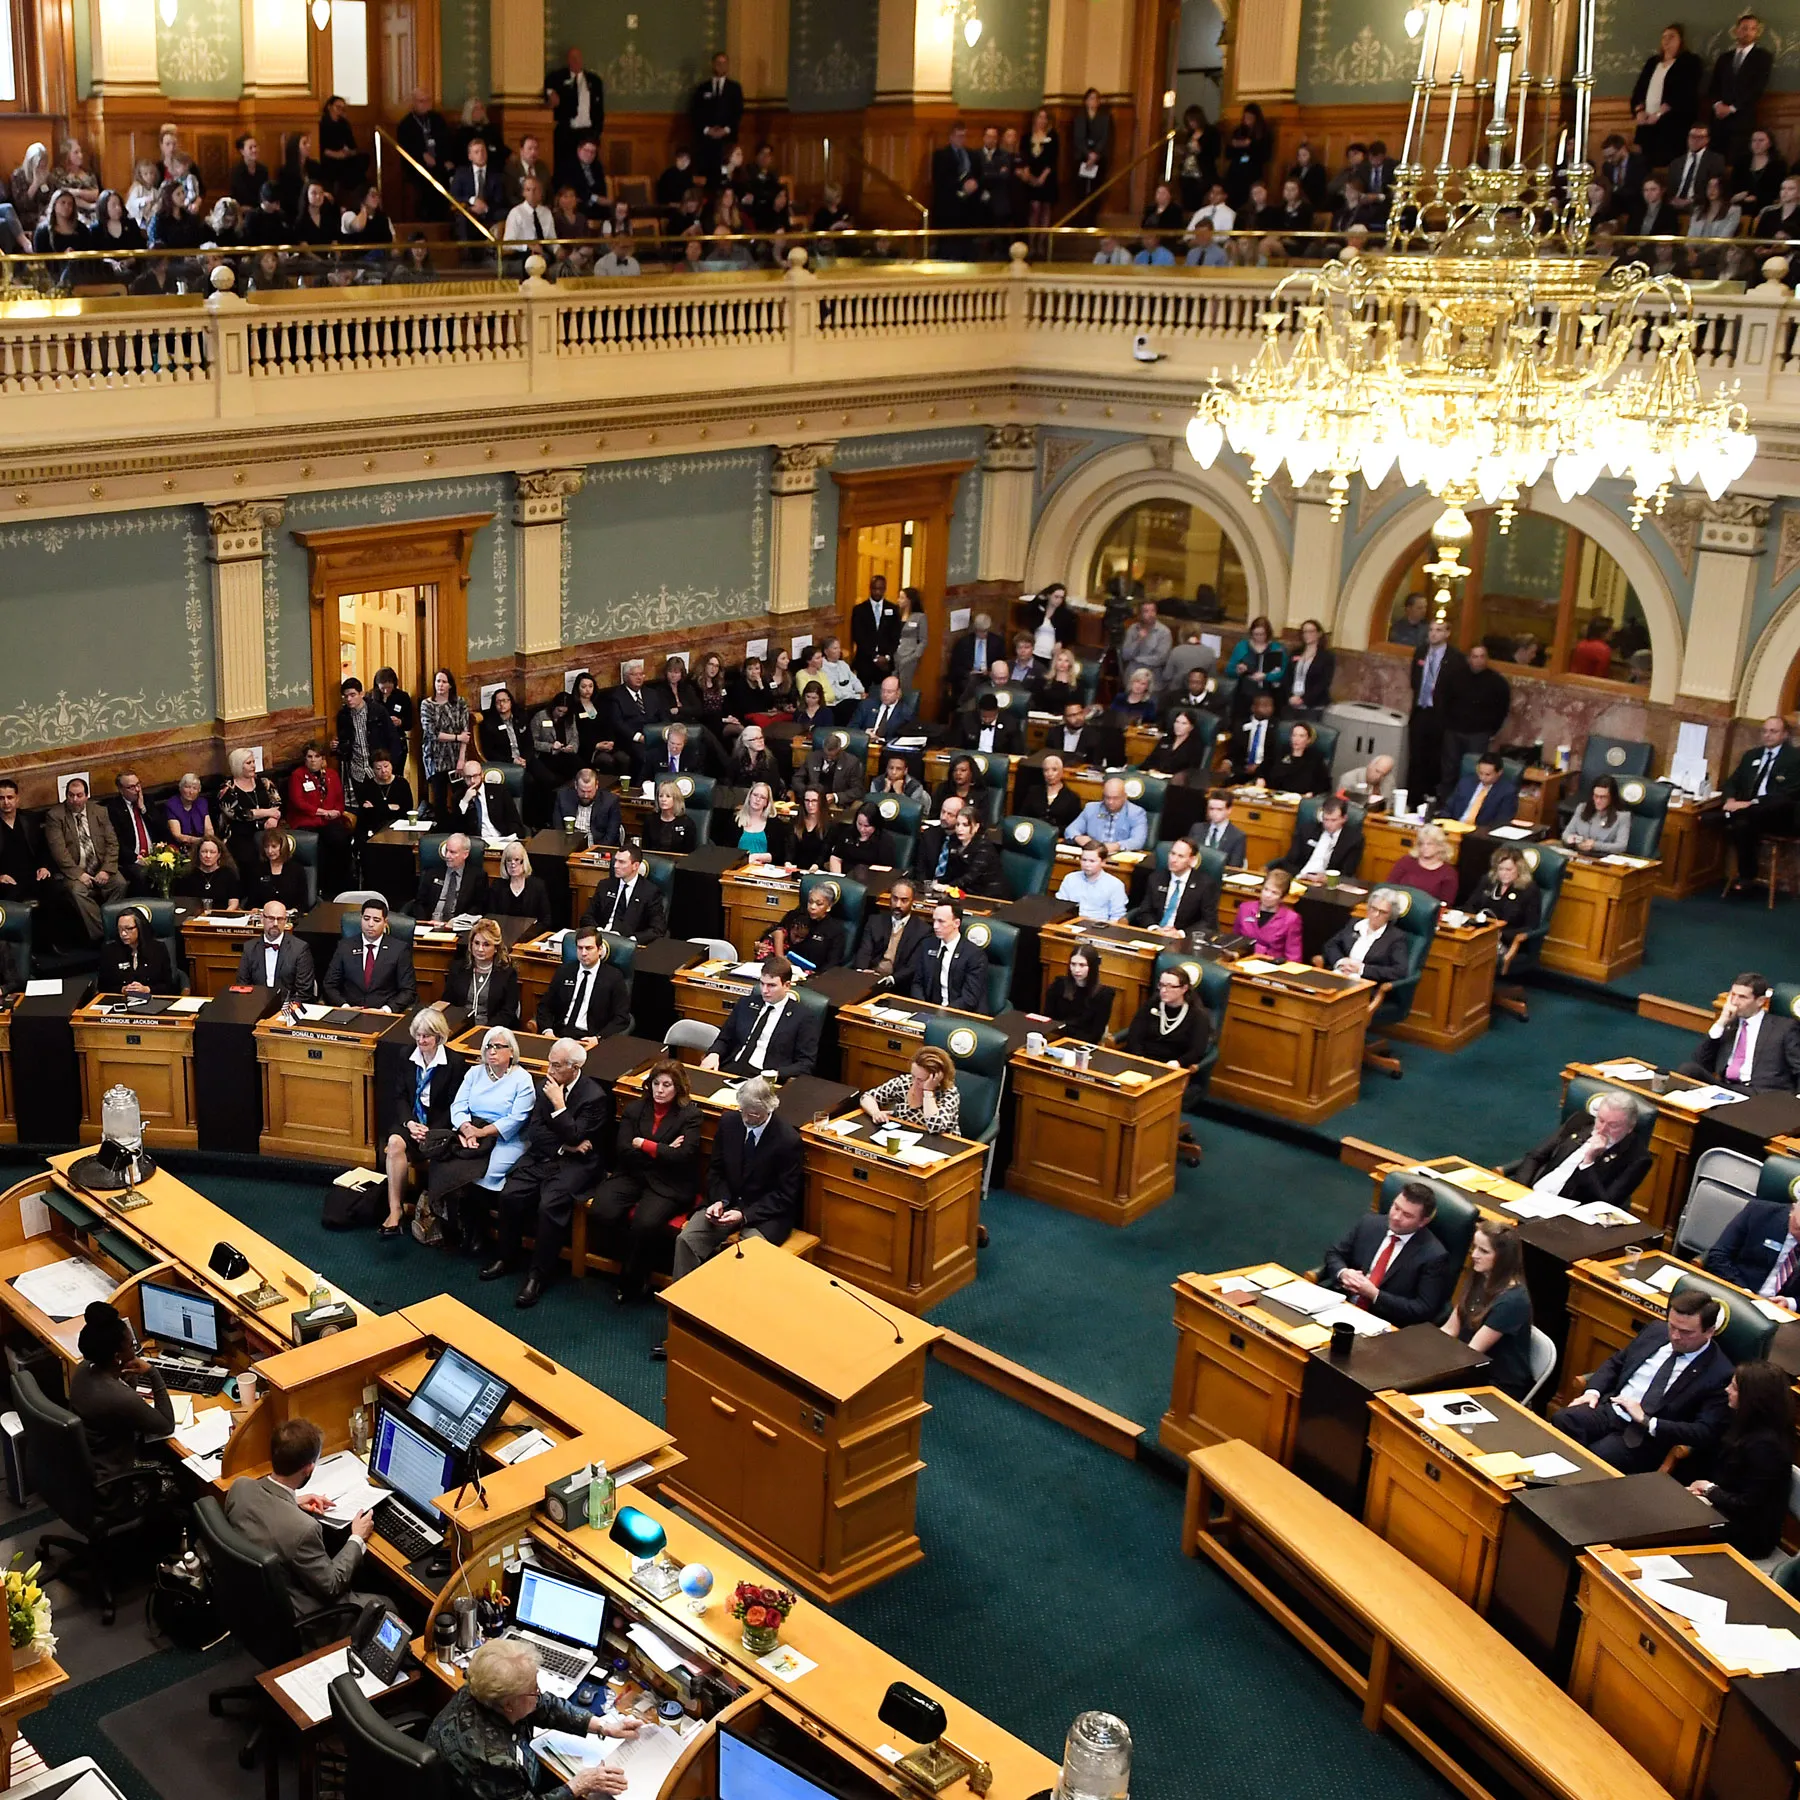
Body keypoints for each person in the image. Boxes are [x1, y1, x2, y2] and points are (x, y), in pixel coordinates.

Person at [476, 1037, 608, 1307]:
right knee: (511, 1194)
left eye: (557, 1066)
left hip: (579, 1166)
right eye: (549, 1063)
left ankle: (537, 1275)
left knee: (551, 1205)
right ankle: (506, 1256)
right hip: (547, 1156)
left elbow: (577, 1134)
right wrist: (565, 1147)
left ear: (574, 1067)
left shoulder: (595, 1097)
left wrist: (559, 1106)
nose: (550, 1070)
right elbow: (536, 1131)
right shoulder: (545, 1085)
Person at [1551, 1289, 1732, 1473]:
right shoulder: (1655, 1331)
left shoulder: (1719, 1373)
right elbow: (1616, 1363)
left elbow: (1704, 1431)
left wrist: (1648, 1421)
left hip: (1646, 1437)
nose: (1675, 1336)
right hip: (1611, 1410)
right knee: (1564, 1419)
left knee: (1598, 1456)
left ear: (1709, 1331)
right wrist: (1593, 1392)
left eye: (1686, 1332)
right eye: (1672, 1326)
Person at [223, 1418, 379, 1617]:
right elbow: (331, 1586)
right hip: (300, 1613)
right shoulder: (304, 1529)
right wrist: (357, 1537)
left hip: (249, 1599)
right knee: (388, 1605)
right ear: (309, 1469)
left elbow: (263, 1515)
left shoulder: (240, 1487)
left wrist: (293, 1502)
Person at [664, 1078, 802, 1298]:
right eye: (743, 1111)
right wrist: (720, 1201)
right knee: (687, 1240)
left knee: (744, 1255)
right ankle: (685, 1304)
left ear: (769, 1108)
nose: (747, 1118)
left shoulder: (787, 1140)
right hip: (727, 1203)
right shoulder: (730, 1122)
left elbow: (784, 1196)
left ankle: (730, 1314)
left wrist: (743, 1214)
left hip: (764, 1214)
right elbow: (715, 1170)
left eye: (754, 1114)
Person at [1686, 1361, 1793, 1562]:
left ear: (1753, 1397)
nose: (1727, 1390)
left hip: (1748, 1535)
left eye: (1734, 1387)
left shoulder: (1767, 1447)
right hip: (1724, 1511)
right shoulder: (1743, 1424)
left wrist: (1709, 1490)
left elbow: (1748, 1504)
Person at [1320, 1181, 1452, 1325]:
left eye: (1407, 1215)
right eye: (1396, 1207)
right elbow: (1334, 1253)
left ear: (1423, 1221)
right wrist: (1343, 1272)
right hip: (1341, 1305)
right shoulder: (1369, 1224)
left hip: (1383, 1323)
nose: (1396, 1217)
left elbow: (1422, 1309)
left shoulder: (1434, 1255)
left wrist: (1375, 1294)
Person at [68, 1301, 174, 1479]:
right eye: (132, 1346)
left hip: (94, 1461)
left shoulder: (83, 1369)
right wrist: (153, 1374)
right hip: (114, 1474)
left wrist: (125, 1372)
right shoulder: (119, 1397)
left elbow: (125, 1396)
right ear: (117, 1356)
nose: (135, 1350)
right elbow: (166, 1425)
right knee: (178, 1476)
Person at [380, 1005, 460, 1237]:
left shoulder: (453, 1063)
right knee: (394, 1144)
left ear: (439, 1036)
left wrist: (430, 1130)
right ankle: (395, 1211)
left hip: (438, 1124)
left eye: (426, 1036)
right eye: (418, 1035)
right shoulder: (406, 1055)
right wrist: (409, 1123)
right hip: (412, 1120)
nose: (421, 1040)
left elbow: (454, 1104)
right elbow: (400, 1096)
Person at [1441, 1224, 1535, 1402]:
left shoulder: (1513, 1301)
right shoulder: (1479, 1277)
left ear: (1502, 1258)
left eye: (1483, 1251)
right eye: (1475, 1247)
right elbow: (1450, 1329)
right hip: (1466, 1367)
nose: (1474, 1255)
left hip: (1494, 1385)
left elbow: (1472, 1353)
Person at [1508, 1092, 1649, 1210]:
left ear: (1630, 1127)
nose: (1602, 1129)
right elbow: (1535, 1156)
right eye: (1600, 1120)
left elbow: (1605, 1204)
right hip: (1531, 1195)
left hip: (1566, 1216)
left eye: (1613, 1125)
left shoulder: (1637, 1158)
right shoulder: (1580, 1121)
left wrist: (1588, 1163)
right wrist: (1520, 1191)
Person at [1682, 971, 1800, 1093]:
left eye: (1742, 997)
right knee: (1689, 1070)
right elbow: (1700, 1062)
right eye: (1733, 995)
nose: (1735, 1001)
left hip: (1761, 1092)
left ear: (1760, 1001)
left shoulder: (1785, 1028)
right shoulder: (1730, 1024)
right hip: (1727, 1087)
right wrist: (1721, 1022)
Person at [706, 957, 819, 1079]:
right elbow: (724, 1038)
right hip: (732, 1067)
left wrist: (776, 1074)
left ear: (786, 986)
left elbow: (806, 1064)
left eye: (771, 985)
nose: (764, 991)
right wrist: (714, 1053)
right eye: (762, 984)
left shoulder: (803, 1016)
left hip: (765, 1076)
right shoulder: (745, 1003)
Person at [1724, 716, 1800, 889]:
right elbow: (1732, 782)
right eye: (1764, 731)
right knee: (1742, 824)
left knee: (1744, 817)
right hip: (1749, 815)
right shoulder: (1752, 755)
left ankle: (1723, 816)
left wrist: (1751, 804)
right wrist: (1730, 799)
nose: (1767, 735)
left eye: (1773, 731)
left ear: (1785, 734)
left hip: (1781, 816)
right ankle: (1747, 877)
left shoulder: (1795, 758)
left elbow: (1788, 794)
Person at [45, 775, 121, 943]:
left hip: (100, 867)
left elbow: (113, 843)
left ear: (87, 796)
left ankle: (115, 926)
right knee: (77, 891)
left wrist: (107, 870)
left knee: (119, 884)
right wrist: (79, 874)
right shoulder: (55, 816)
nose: (74, 799)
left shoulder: (100, 811)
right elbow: (59, 852)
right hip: (73, 872)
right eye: (71, 795)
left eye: (79, 795)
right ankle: (105, 934)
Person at [534, 925, 629, 1045]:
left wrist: (599, 1038)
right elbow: (544, 1006)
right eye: (580, 948)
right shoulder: (564, 971)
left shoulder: (614, 977)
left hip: (590, 1039)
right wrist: (547, 1031)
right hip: (559, 1035)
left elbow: (621, 1018)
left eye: (588, 948)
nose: (583, 953)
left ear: (599, 950)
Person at [323, 899, 418, 1010]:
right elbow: (329, 985)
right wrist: (345, 1007)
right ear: (361, 919)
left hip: (383, 1015)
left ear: (385, 922)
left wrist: (386, 1010)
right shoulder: (345, 947)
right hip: (350, 1011)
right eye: (366, 919)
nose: (370, 924)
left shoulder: (399, 949)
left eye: (376, 920)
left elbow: (408, 990)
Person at [1631, 24, 1703, 169]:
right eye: (1664, 37)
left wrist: (1659, 113)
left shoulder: (1689, 62)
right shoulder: (1652, 63)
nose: (1667, 41)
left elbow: (1685, 93)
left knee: (1668, 166)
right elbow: (1639, 90)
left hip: (1673, 126)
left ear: (1681, 40)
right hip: (1647, 125)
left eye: (1672, 37)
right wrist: (1639, 111)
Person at [1406, 616, 1463, 796]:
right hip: (1420, 710)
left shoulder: (1455, 658)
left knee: (1435, 758)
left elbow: (1456, 690)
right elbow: (1414, 679)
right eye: (1431, 630)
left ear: (1447, 633)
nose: (1433, 634)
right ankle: (1412, 797)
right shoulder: (1421, 652)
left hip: (1440, 715)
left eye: (1438, 630)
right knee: (1416, 756)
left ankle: (1430, 797)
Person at [1123, 964, 1213, 1076]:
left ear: (1184, 989)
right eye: (1161, 985)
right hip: (1141, 1061)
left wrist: (1179, 1062)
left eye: (1170, 986)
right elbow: (1135, 1034)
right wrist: (1139, 1056)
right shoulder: (1152, 1004)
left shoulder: (1198, 1015)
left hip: (1172, 1068)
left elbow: (1197, 1050)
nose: (1164, 990)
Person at [903, 900, 989, 1012]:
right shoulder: (927, 944)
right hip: (929, 1011)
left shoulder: (974, 954)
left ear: (956, 923)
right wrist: (923, 1007)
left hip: (959, 1014)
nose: (935, 926)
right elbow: (917, 983)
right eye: (934, 920)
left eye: (941, 921)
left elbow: (969, 998)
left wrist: (942, 1013)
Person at [1472, 847, 1540, 983]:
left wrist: (1502, 935)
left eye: (1509, 870)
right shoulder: (1489, 881)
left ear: (1519, 870)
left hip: (1506, 941)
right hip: (1479, 934)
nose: (1504, 874)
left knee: (1473, 957)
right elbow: (1471, 905)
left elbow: (1532, 926)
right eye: (1500, 869)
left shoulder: (1529, 890)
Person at [1317, 887, 1408, 982]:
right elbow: (1330, 945)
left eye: (1382, 912)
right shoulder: (1356, 924)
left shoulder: (1396, 937)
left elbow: (1399, 971)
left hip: (1364, 983)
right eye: (1374, 909)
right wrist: (1341, 961)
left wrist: (1362, 969)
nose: (1376, 914)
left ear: (1390, 915)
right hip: (1339, 974)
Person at [1130, 835, 1216, 935]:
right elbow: (1145, 911)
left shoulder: (1205, 884)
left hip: (1183, 939)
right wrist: (1155, 928)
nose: (1173, 860)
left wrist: (1180, 933)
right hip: (1156, 933)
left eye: (1180, 856)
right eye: (1172, 853)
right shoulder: (1156, 878)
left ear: (1192, 860)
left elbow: (1208, 921)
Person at [443, 918, 520, 1029]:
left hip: (493, 1030)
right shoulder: (458, 968)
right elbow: (448, 1002)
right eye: (477, 943)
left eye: (486, 945)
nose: (480, 949)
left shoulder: (507, 973)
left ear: (495, 948)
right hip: (459, 1028)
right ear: (471, 944)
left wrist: (485, 1030)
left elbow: (508, 1012)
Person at [233, 899, 315, 996]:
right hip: (257, 1005)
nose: (275, 923)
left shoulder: (300, 949)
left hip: (287, 1006)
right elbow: (242, 985)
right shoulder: (249, 948)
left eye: (280, 919)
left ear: (285, 921)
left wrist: (285, 1011)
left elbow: (304, 992)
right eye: (271, 918)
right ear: (262, 918)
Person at [419, 669, 472, 819]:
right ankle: (443, 831)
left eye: (444, 682)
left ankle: (460, 829)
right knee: (439, 799)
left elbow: (465, 733)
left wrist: (462, 759)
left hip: (456, 756)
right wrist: (456, 737)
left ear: (450, 685)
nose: (440, 685)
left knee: (460, 797)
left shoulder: (460, 703)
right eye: (438, 681)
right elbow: (432, 733)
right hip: (436, 757)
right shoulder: (427, 705)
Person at [1275, 794, 1363, 880]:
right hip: (1299, 878)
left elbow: (1346, 874)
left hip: (1326, 885)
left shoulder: (1354, 840)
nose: (1328, 824)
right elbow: (1291, 860)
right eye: (1326, 819)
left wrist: (1326, 879)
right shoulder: (1307, 829)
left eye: (1333, 820)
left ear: (1344, 818)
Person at [99, 905, 178, 995]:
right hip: (121, 1001)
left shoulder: (158, 949)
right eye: (120, 929)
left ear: (140, 927)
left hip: (153, 1001)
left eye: (128, 929)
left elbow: (169, 986)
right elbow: (102, 986)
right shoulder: (109, 951)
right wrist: (122, 989)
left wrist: (147, 989)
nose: (123, 934)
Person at [412, 832, 488, 924]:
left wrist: (458, 922)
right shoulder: (432, 873)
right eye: (446, 851)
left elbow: (479, 907)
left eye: (452, 852)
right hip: (430, 924)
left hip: (458, 927)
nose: (447, 856)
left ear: (465, 854)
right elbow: (419, 903)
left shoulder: (477, 876)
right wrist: (425, 922)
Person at [1043, 946, 1116, 1043]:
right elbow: (1048, 1019)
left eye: (1082, 965)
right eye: (1073, 964)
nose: (1076, 970)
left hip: (1082, 1045)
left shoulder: (1104, 995)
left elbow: (1096, 1034)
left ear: (1092, 967)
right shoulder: (1059, 985)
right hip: (1054, 1040)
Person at [106, 771, 163, 895]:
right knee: (142, 874)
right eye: (132, 787)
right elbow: (116, 841)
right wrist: (136, 859)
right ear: (121, 790)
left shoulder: (147, 801)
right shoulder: (114, 808)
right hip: (131, 859)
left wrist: (143, 809)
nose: (137, 790)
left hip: (154, 853)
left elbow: (160, 828)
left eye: (138, 785)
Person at [772, 882, 847, 971]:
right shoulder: (795, 916)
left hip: (814, 976)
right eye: (810, 902)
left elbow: (832, 964)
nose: (812, 907)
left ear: (829, 906)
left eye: (819, 904)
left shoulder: (835, 930)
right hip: (785, 970)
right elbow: (774, 933)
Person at [1065, 776, 1149, 852]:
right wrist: (1078, 837)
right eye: (1107, 797)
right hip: (1093, 856)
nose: (1110, 802)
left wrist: (1116, 846)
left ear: (1125, 796)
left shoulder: (1136, 813)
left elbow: (1138, 841)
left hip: (1118, 857)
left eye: (1115, 798)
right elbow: (1070, 830)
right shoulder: (1091, 808)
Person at [1234, 869, 1304, 960]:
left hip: (1271, 965)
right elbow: (1234, 941)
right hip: (1241, 960)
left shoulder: (1291, 919)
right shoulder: (1245, 908)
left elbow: (1294, 957)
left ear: (1282, 897)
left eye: (1274, 893)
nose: (1267, 895)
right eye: (1266, 889)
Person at [1386, 821, 1459, 906]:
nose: (1425, 847)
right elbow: (1389, 887)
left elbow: (1445, 904)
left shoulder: (1448, 873)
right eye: (1421, 844)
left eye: (1429, 844)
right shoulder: (1406, 861)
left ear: (1440, 846)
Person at [486, 843, 551, 931]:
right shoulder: (497, 886)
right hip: (503, 935)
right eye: (509, 860)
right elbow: (492, 918)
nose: (513, 864)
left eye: (517, 860)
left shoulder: (537, 886)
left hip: (531, 936)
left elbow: (546, 920)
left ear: (524, 862)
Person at [1445, 751, 1520, 829]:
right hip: (1454, 827)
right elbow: (1448, 807)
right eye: (1480, 773)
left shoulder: (1508, 791)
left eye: (1488, 774)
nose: (1482, 778)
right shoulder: (1465, 782)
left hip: (1479, 834)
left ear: (1499, 772)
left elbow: (1502, 821)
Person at [1057, 843, 1128, 923]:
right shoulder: (1070, 878)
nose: (1087, 865)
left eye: (1092, 861)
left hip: (1098, 927)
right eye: (1084, 860)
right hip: (1069, 924)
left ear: (1103, 862)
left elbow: (1117, 917)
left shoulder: (1115, 885)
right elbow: (1059, 907)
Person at [553, 768, 622, 848]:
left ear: (596, 785)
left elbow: (611, 836)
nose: (586, 796)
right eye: (582, 791)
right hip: (568, 846)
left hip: (598, 848)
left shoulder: (610, 801)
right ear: (576, 785)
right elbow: (557, 830)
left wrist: (594, 851)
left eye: (589, 791)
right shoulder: (563, 797)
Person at [1564, 774, 1631, 855]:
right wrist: (1571, 839)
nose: (1598, 801)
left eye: (1603, 797)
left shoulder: (1623, 816)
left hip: (1601, 858)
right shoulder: (1582, 808)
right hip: (1579, 854)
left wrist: (1595, 845)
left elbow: (1621, 846)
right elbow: (1566, 833)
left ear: (1612, 797)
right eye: (1596, 796)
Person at [352, 752, 414, 839]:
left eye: (386, 766)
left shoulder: (402, 783)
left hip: (398, 826)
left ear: (391, 765)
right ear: (373, 770)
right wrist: (389, 807)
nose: (383, 771)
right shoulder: (367, 786)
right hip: (373, 827)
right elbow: (367, 813)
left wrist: (376, 807)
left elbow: (406, 809)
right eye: (378, 768)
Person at [1263, 722, 1331, 795]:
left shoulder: (1315, 759)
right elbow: (1263, 768)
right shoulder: (1280, 753)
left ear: (1308, 740)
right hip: (1273, 796)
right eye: (1294, 735)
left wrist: (1312, 793)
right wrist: (1261, 779)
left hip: (1299, 799)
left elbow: (1324, 784)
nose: (1296, 739)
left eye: (1301, 736)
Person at [176, 836, 242, 912]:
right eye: (204, 851)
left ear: (219, 854)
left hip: (221, 918)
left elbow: (233, 903)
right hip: (194, 919)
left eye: (212, 852)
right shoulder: (188, 875)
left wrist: (224, 915)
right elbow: (182, 903)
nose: (208, 856)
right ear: (198, 853)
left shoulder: (228, 874)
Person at [1284, 619, 1334, 719]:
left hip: (1313, 705)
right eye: (1304, 632)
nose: (1307, 635)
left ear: (1319, 634)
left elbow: (1323, 682)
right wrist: (1290, 697)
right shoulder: (1295, 653)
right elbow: (1287, 677)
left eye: (1311, 631)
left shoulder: (1326, 656)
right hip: (1292, 702)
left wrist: (1303, 699)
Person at [1120, 602, 1174, 692]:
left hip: (1153, 679)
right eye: (1146, 611)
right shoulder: (1133, 629)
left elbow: (1160, 659)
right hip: (1132, 677)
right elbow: (1125, 655)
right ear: (1140, 615)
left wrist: (1137, 659)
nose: (1151, 614)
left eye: (1153, 611)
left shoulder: (1164, 632)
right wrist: (1138, 640)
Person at [1193, 790, 1248, 866]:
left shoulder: (1238, 836)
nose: (1214, 813)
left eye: (1219, 809)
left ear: (1229, 810)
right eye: (1211, 809)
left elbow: (1235, 866)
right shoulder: (1197, 829)